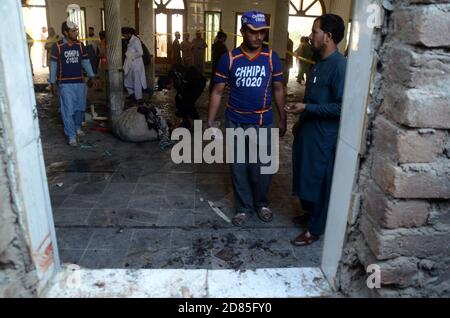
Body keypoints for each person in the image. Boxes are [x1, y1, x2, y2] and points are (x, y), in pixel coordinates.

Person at [207, 11, 287, 227]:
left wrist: (283, 117)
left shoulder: (271, 58)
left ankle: (261, 203)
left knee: (262, 167)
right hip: (235, 121)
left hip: (262, 121)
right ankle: (243, 207)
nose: (258, 37)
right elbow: (216, 91)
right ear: (243, 31)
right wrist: (210, 121)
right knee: (239, 166)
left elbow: (278, 89)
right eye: (253, 32)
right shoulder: (230, 59)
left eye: (262, 32)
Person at [285, 14, 347, 246]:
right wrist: (301, 113)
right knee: (305, 175)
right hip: (308, 131)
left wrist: (307, 107)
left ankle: (315, 229)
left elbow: (342, 106)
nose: (311, 36)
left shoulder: (340, 66)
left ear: (328, 36)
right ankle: (310, 214)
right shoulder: (318, 63)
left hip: (323, 136)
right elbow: (314, 97)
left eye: (314, 31)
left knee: (321, 181)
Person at [49, 21, 100, 147]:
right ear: (66, 32)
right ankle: (71, 136)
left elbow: (86, 62)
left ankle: (77, 127)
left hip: (80, 82)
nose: (76, 33)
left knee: (80, 108)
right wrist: (52, 83)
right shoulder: (58, 46)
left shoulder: (80, 45)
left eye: (76, 30)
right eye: (73, 31)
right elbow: (53, 65)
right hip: (65, 84)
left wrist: (92, 76)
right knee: (68, 111)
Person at [158, 64, 206, 129]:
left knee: (188, 102)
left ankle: (198, 125)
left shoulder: (178, 82)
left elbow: (184, 100)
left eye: (165, 87)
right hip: (190, 83)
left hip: (199, 83)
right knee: (178, 99)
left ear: (168, 82)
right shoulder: (173, 77)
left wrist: (176, 122)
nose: (167, 89)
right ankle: (186, 122)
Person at [122, 27, 147, 102]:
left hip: (136, 65)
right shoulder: (130, 41)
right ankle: (131, 94)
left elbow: (140, 53)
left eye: (124, 35)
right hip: (130, 64)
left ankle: (138, 97)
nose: (124, 36)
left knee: (137, 81)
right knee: (127, 79)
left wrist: (131, 55)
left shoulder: (136, 40)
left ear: (129, 34)